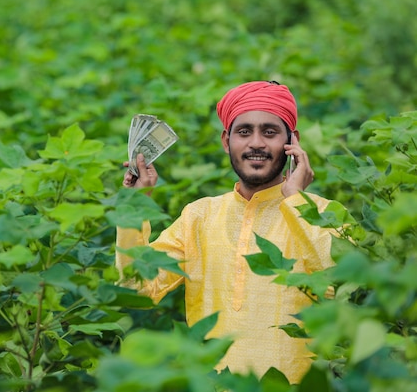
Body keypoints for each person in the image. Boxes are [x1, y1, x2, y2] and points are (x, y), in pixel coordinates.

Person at [116, 80, 337, 384]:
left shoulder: (325, 214)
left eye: (269, 132)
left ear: (292, 141)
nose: (256, 143)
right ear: (226, 141)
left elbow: (337, 289)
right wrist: (135, 204)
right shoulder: (199, 216)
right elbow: (135, 288)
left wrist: (297, 199)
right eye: (244, 132)